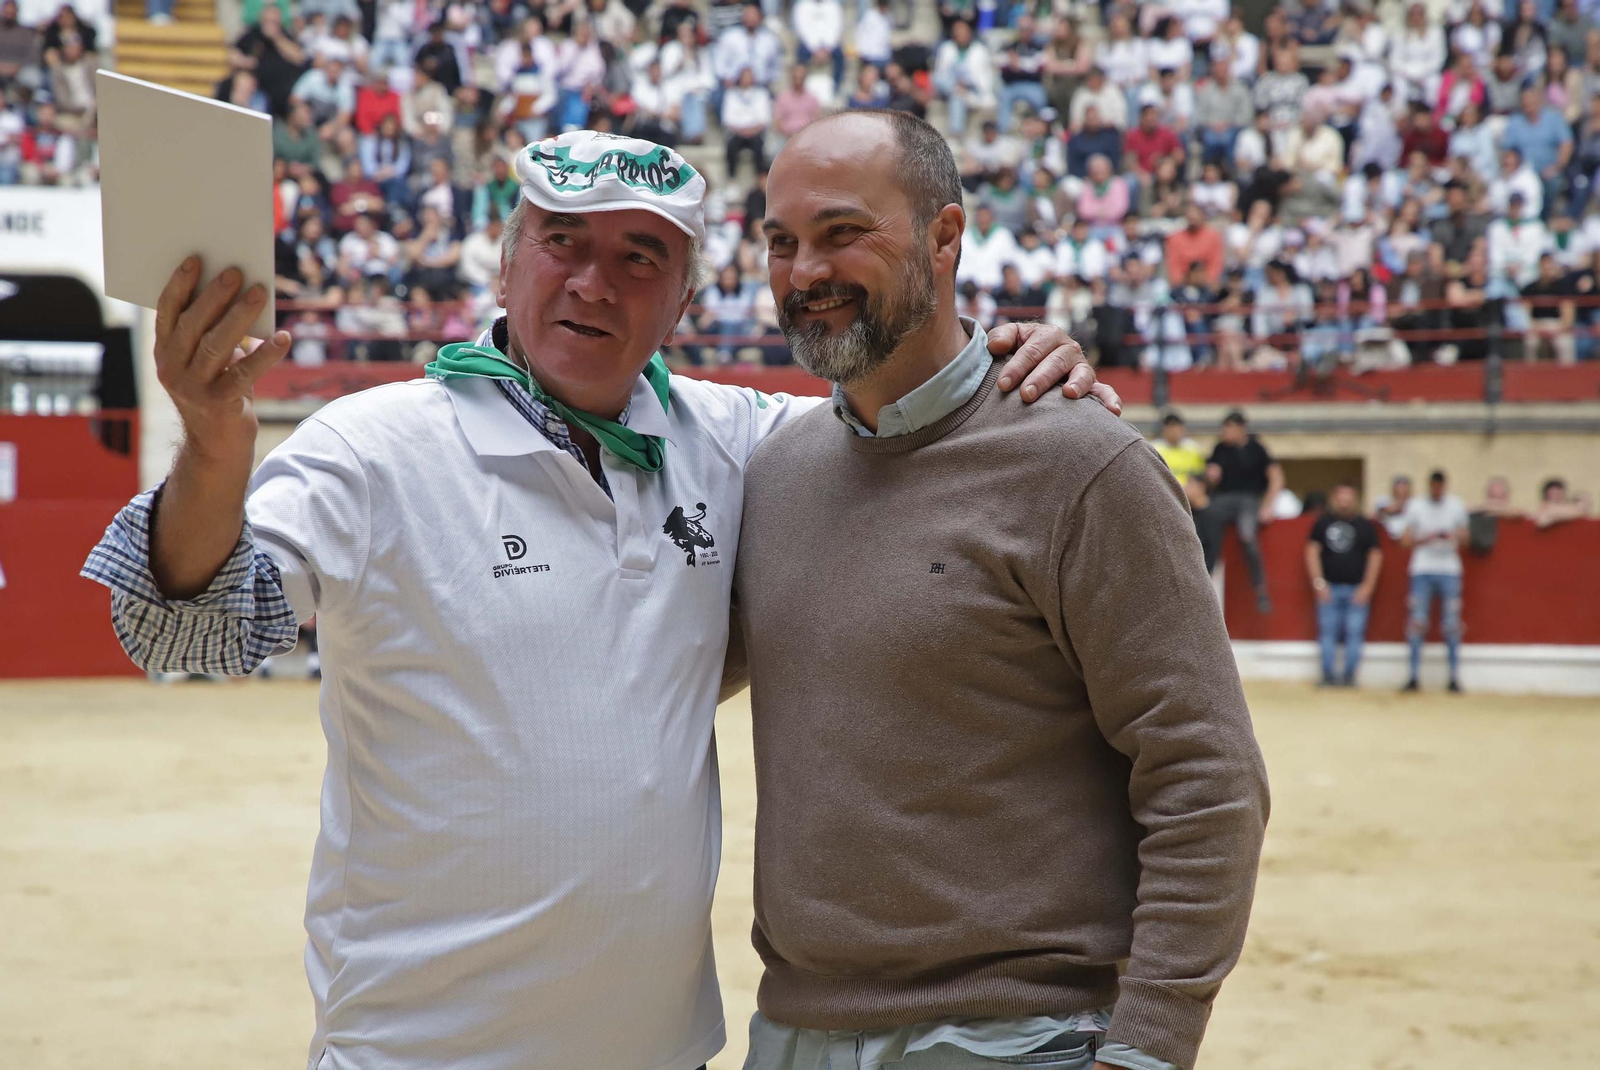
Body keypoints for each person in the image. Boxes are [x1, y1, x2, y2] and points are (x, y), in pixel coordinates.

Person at [80, 131, 1116, 1070]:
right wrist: (211, 449)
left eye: (639, 256)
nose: (592, 282)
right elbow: (185, 632)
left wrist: (1010, 366)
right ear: (506, 263)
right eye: (562, 242)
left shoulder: (740, 442)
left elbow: (909, 425)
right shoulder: (375, 447)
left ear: (683, 299)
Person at [740, 108, 1268, 1070]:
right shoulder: (772, 474)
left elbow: (1205, 776)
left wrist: (1149, 1046)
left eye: (843, 232)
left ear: (944, 237)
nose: (805, 271)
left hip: (1020, 1039)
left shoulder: (1082, 463)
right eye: (782, 242)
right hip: (793, 1035)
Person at [1305, 483, 1383, 687]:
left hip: (1357, 588)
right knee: (1327, 632)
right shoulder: (1323, 523)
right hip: (1329, 587)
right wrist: (1319, 583)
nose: (1345, 502)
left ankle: (1349, 677)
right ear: (1334, 499)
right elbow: (1312, 552)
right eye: (1341, 497)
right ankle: (1328, 676)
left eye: (1348, 497)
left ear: (1355, 500)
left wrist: (1367, 586)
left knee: (1354, 633)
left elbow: (1375, 555)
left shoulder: (1365, 525)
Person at [1400, 469, 1469, 693]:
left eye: (1440, 486)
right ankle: (1413, 676)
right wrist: (1426, 538)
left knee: (1452, 625)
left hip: (1449, 569)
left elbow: (1466, 539)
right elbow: (1405, 540)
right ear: (1430, 485)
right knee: (1417, 623)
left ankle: (1453, 678)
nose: (1437, 489)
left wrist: (1454, 536)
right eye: (1434, 485)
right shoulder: (1416, 505)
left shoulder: (1456, 505)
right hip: (1422, 568)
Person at [1206, 410, 1282, 611]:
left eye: (1230, 428)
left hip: (1249, 499)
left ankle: (1260, 588)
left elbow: (1276, 476)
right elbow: (1211, 478)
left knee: (1247, 536)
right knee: (1208, 526)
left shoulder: (1257, 449)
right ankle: (1206, 578)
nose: (1226, 433)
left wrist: (1268, 505)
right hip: (1223, 500)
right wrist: (1211, 477)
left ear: (1242, 429)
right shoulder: (1219, 449)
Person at [1151, 410, 1215, 570]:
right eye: (1170, 428)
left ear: (1182, 429)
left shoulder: (1193, 449)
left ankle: (1207, 566)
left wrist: (1194, 490)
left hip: (1192, 500)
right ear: (1165, 430)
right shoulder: (1155, 449)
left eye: (1177, 428)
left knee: (1209, 511)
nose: (1174, 432)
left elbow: (1201, 476)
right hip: (1166, 498)